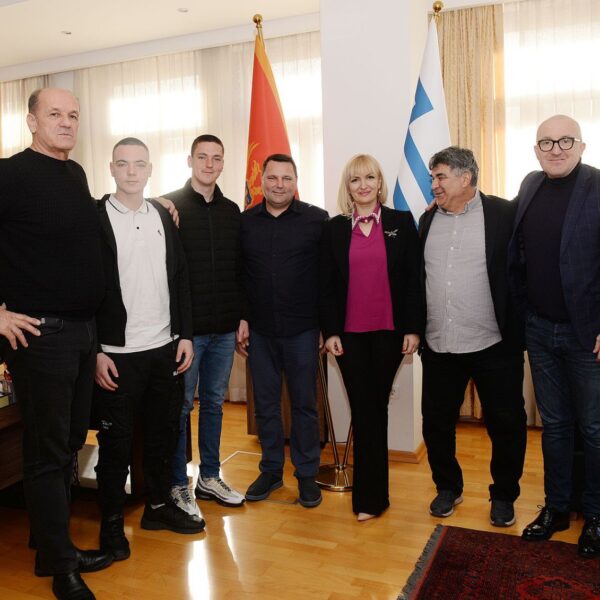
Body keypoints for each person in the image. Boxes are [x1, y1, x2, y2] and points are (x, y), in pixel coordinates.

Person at [0, 88, 112, 600]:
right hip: (40, 335)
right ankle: (61, 568)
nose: (66, 122)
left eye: (73, 115)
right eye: (54, 114)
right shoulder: (10, 174)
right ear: (31, 121)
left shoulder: (75, 174)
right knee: (46, 452)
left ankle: (51, 547)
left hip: (83, 332)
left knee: (68, 446)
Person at [94, 137, 203, 561]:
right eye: (123, 164)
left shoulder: (162, 214)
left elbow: (181, 278)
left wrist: (185, 334)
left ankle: (157, 508)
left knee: (162, 435)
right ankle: (110, 526)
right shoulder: (95, 217)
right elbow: (83, 287)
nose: (131, 172)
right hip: (116, 354)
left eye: (139, 164)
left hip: (164, 348)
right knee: (116, 445)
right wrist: (95, 351)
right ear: (112, 168)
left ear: (150, 169)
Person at [420, 146, 527, 527]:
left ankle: (504, 495)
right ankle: (448, 487)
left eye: (440, 176)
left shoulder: (504, 214)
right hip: (440, 343)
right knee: (436, 423)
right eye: (432, 177)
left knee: (506, 424)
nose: (434, 184)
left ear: (465, 178)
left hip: (493, 343)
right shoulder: (427, 220)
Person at [508, 115, 600, 557]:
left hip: (587, 336)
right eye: (546, 142)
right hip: (540, 331)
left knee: (595, 429)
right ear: (536, 150)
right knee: (555, 426)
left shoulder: (597, 186)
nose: (556, 148)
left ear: (581, 146)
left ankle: (596, 515)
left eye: (565, 140)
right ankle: (557, 508)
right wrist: (445, 202)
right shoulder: (530, 185)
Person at [319, 154, 422, 521]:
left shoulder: (401, 223)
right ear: (347, 188)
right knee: (366, 410)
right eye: (355, 179)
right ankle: (371, 499)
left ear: (380, 183)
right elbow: (326, 286)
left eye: (369, 178)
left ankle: (372, 498)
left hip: (389, 334)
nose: (362, 185)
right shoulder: (333, 229)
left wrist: (413, 328)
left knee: (374, 408)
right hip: (348, 337)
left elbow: (414, 280)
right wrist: (330, 331)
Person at [237, 154, 328, 507]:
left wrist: (325, 326)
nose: (279, 185)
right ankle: (272, 471)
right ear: (261, 180)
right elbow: (239, 275)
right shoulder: (245, 222)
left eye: (286, 178)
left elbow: (327, 277)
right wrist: (242, 318)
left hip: (303, 329)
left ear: (296, 181)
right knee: (266, 406)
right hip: (260, 331)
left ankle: (306, 474)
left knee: (304, 405)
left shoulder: (317, 220)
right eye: (272, 178)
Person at [162, 134, 245, 516]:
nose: (209, 164)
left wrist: (242, 316)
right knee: (181, 408)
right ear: (190, 160)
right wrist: (155, 202)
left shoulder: (232, 211)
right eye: (202, 157)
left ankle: (209, 477)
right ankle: (178, 483)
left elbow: (240, 269)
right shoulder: (169, 207)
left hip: (224, 329)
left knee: (213, 405)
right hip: (187, 334)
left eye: (216, 158)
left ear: (223, 163)